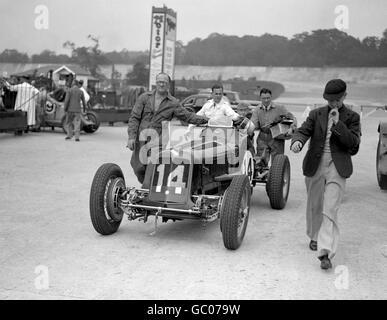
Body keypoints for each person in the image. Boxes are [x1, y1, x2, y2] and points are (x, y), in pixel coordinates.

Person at [290, 79, 361, 270]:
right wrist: (297, 141)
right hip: (316, 164)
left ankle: (325, 252)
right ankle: (314, 236)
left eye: (337, 100)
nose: (333, 104)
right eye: (330, 100)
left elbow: (353, 144)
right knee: (315, 204)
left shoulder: (352, 117)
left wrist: (338, 125)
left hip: (338, 167)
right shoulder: (316, 114)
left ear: (344, 96)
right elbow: (303, 131)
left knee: (330, 209)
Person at [127, 72, 209, 185]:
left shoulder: (173, 103)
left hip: (158, 141)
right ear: (156, 83)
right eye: (159, 82)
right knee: (138, 168)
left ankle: (147, 191)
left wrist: (206, 119)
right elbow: (134, 118)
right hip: (141, 139)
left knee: (153, 166)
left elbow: (187, 116)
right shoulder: (144, 98)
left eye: (164, 82)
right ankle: (148, 186)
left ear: (168, 85)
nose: (161, 84)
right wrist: (131, 137)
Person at [250, 88, 297, 166]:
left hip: (277, 138)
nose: (266, 100)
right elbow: (253, 125)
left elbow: (292, 118)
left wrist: (292, 128)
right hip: (262, 138)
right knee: (260, 163)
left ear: (271, 97)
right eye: (264, 98)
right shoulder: (257, 110)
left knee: (277, 163)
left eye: (268, 98)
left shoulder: (280, 108)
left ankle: (276, 177)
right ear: (260, 98)